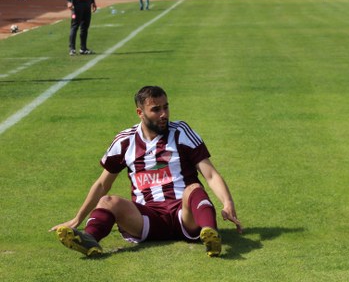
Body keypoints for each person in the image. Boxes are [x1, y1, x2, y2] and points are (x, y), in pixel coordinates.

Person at [50, 86, 243, 258]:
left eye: (166, 107)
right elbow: (102, 184)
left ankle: (210, 233)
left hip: (184, 215)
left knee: (193, 188)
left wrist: (227, 203)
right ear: (140, 112)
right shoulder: (125, 141)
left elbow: (210, 174)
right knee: (108, 201)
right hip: (148, 219)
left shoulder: (181, 132)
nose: (164, 114)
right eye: (156, 109)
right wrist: (78, 218)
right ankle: (89, 239)